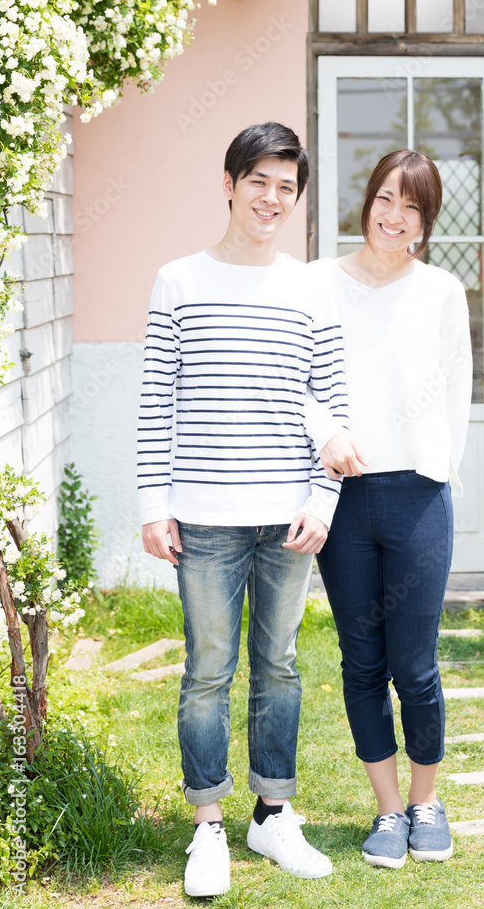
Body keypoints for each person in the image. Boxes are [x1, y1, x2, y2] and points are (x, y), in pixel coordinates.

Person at [137, 123, 351, 896]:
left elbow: (331, 405)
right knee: (207, 671)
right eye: (258, 181)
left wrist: (323, 499)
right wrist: (153, 505)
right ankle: (208, 829)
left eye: (285, 188)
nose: (271, 198)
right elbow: (156, 401)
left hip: (288, 517)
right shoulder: (178, 280)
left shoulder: (310, 288)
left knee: (280, 667)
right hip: (203, 516)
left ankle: (272, 815)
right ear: (228, 183)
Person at [308, 150, 473, 869]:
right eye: (383, 198)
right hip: (342, 498)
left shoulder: (440, 290)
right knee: (361, 662)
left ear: (425, 221)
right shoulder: (317, 283)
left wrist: (439, 470)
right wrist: (327, 433)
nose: (392, 216)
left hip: (417, 496)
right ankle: (384, 812)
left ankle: (425, 802)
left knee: (415, 665)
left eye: (410, 206)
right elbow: (297, 377)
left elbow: (456, 388)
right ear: (365, 201)